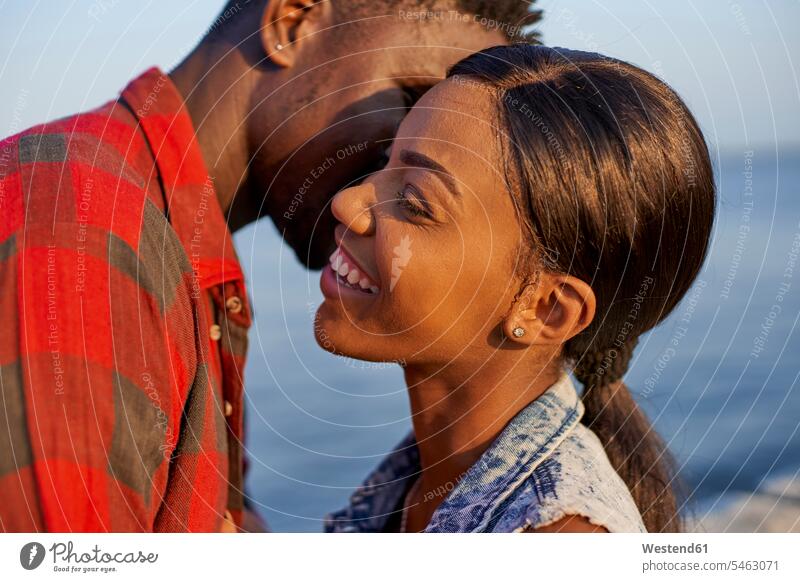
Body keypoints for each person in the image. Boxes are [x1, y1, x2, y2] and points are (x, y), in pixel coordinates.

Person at [0, 0, 539, 532]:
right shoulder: (80, 235)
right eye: (407, 101)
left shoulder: (167, 241)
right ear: (293, 21)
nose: (383, 188)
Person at [316, 44, 715, 533]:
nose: (346, 203)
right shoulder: (422, 475)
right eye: (386, 161)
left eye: (415, 201)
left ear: (546, 309)